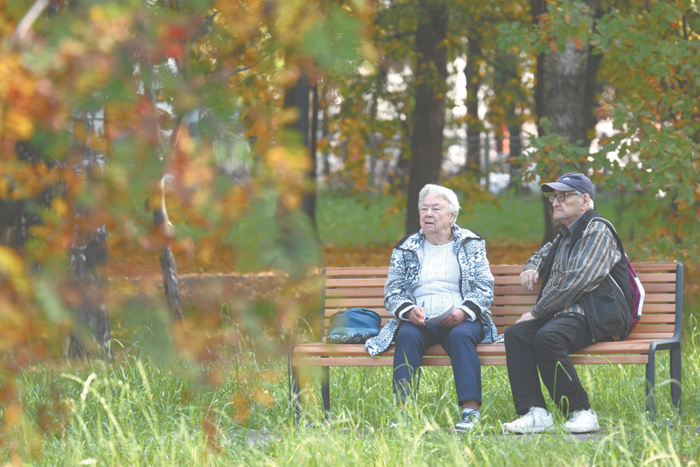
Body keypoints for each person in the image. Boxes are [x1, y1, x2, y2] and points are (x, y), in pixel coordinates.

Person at [502, 172, 632, 434]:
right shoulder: (566, 234)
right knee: (516, 335)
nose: (555, 202)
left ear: (585, 200)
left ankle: (581, 411)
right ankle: (535, 413)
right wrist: (533, 267)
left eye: (563, 196)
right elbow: (542, 252)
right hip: (565, 315)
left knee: (548, 337)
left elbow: (577, 279)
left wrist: (536, 312)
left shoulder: (597, 229)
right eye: (553, 197)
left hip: (595, 315)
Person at [366, 184, 499, 432]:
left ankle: (470, 411)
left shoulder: (471, 243)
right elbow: (392, 290)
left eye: (436, 208)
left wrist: (463, 312)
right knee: (406, 334)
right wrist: (408, 311)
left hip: (462, 317)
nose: (428, 214)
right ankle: (404, 412)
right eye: (424, 208)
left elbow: (484, 287)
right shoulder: (406, 246)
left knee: (461, 337)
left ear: (452, 215)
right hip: (421, 320)